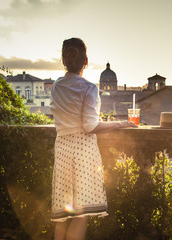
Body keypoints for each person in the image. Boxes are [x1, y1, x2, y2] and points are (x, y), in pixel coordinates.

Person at [50, 37, 137, 240]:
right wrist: (120, 123)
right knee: (82, 213)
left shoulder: (56, 86)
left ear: (64, 61)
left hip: (62, 150)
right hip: (82, 153)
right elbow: (90, 126)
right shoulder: (89, 88)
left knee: (62, 215)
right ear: (86, 61)